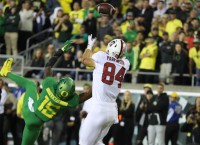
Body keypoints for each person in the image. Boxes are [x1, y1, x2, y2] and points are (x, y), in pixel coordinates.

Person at [0, 40, 92, 145]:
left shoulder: (50, 85)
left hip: (31, 113)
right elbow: (89, 94)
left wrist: (60, 51)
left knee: (31, 85)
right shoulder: (70, 102)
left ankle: (6, 72)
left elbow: (48, 65)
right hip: (38, 124)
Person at [79, 35, 130, 145]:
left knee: (84, 143)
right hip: (112, 112)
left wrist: (89, 46)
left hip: (99, 109)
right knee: (97, 142)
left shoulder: (101, 56)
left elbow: (84, 60)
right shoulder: (126, 64)